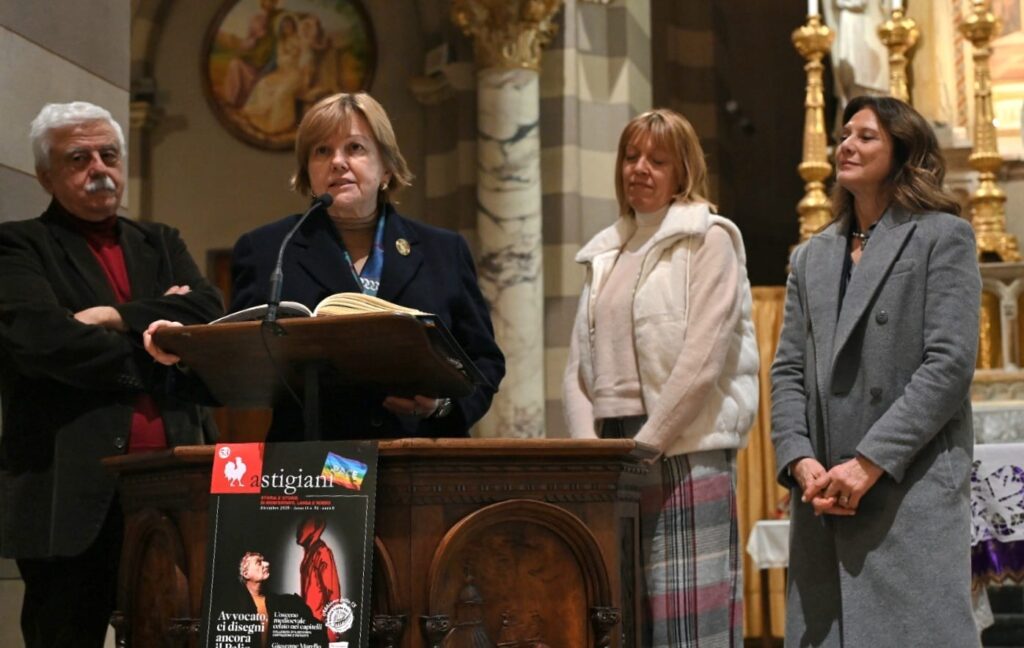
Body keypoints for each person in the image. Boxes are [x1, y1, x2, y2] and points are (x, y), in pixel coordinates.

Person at [0, 101, 223, 647]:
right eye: (79, 158)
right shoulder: (18, 244)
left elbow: (208, 313)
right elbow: (46, 342)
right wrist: (158, 342)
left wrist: (114, 316)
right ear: (45, 175)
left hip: (176, 483)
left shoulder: (161, 241)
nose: (99, 168)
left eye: (109, 155)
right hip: (70, 490)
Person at [770, 95, 981, 646]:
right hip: (824, 495)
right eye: (844, 135)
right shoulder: (811, 256)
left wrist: (869, 463)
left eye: (866, 137)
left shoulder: (941, 236)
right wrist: (799, 459)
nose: (846, 145)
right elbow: (787, 371)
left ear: (902, 152)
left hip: (907, 487)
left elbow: (950, 365)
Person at [562, 108, 759, 647]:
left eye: (657, 159)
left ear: (682, 171)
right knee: (621, 617)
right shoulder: (606, 251)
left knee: (687, 623)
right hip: (613, 451)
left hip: (683, 447)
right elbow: (579, 365)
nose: (640, 168)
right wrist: (588, 454)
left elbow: (702, 359)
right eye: (631, 157)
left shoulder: (708, 240)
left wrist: (647, 446)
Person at [230, 92, 505, 440]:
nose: (337, 162)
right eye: (322, 151)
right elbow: (236, 361)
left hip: (418, 452)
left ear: (386, 167)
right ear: (308, 173)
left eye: (355, 148)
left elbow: (484, 361)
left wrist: (442, 406)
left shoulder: (444, 251)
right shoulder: (267, 250)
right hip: (314, 458)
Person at [237, 551, 326, 647]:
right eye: (258, 562)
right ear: (246, 573)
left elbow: (316, 630)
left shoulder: (287, 603)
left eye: (264, 561)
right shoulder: (235, 606)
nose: (267, 564)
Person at [296, 516, 342, 640]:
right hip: (310, 625)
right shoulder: (309, 554)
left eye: (303, 524)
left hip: (320, 628)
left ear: (314, 527)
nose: (298, 529)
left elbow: (333, 592)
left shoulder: (322, 552)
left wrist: (332, 632)